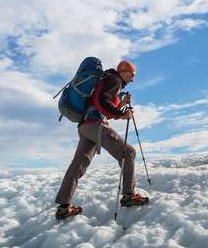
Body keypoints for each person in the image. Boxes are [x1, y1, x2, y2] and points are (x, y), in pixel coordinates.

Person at [55, 59, 150, 219]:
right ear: (124, 71)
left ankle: (63, 206)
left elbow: (101, 104)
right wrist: (122, 114)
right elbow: (102, 102)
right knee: (129, 153)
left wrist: (121, 105)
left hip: (85, 126)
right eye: (132, 75)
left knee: (78, 164)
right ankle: (128, 195)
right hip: (96, 125)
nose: (133, 79)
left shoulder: (106, 80)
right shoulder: (114, 80)